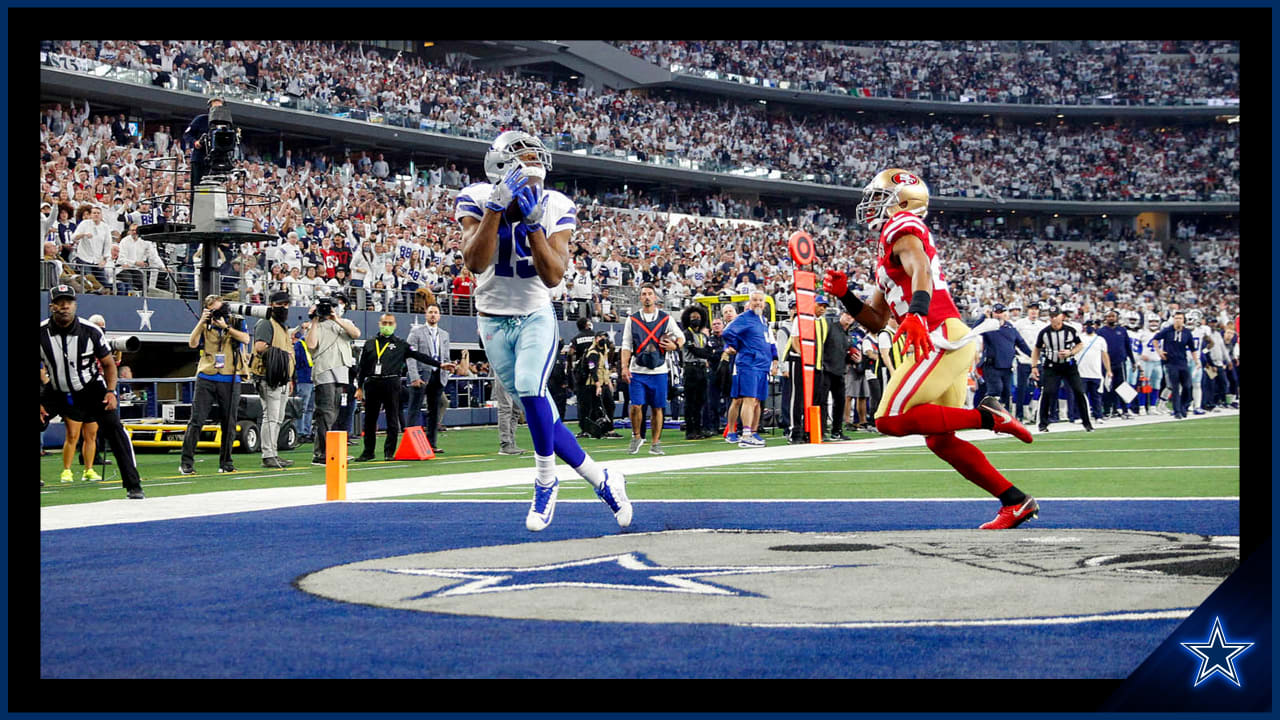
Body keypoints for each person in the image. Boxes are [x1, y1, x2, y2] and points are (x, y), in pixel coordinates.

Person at [822, 168, 1037, 530]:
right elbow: (877, 319)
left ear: (902, 201)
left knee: (888, 420)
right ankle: (1015, 501)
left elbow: (919, 265)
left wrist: (918, 314)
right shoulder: (888, 250)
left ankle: (991, 417)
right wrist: (845, 296)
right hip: (939, 337)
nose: (872, 203)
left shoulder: (901, 225)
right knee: (940, 440)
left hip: (937, 335)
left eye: (880, 196)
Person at [457, 129, 630, 532]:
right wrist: (496, 210)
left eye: (537, 164)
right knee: (542, 415)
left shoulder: (555, 205)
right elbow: (475, 263)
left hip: (535, 312)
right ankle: (602, 480)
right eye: (524, 164)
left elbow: (553, 277)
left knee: (532, 389)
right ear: (500, 168)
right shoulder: (476, 197)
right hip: (492, 319)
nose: (534, 174)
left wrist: (534, 225)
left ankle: (545, 481)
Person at [39, 285, 144, 499]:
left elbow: (109, 364)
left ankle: (133, 485)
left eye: (68, 302)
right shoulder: (41, 332)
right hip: (56, 389)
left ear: (75, 305)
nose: (64, 306)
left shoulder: (91, 331)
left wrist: (111, 392)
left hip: (90, 389)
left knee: (115, 428)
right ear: (52, 306)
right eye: (60, 303)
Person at [354, 314, 455, 462]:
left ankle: (389, 452)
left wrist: (439, 365)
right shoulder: (370, 343)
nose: (386, 325)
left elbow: (419, 356)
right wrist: (360, 387)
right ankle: (368, 452)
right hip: (372, 383)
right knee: (369, 420)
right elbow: (362, 367)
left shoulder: (401, 344)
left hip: (392, 383)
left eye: (390, 323)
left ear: (394, 325)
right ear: (379, 323)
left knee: (392, 419)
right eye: (384, 323)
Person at [180, 294, 251, 474]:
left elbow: (246, 339)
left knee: (229, 422)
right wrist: (202, 322)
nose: (217, 313)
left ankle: (226, 462)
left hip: (230, 376)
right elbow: (192, 343)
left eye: (219, 309)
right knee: (197, 420)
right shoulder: (205, 323)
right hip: (208, 375)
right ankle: (186, 462)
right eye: (213, 310)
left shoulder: (235, 321)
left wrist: (226, 327)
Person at [621, 284, 682, 456]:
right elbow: (626, 345)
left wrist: (674, 345)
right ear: (640, 298)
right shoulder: (632, 320)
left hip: (659, 370)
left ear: (655, 297)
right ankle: (636, 436)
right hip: (638, 370)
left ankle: (656, 443)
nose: (647, 297)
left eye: (650, 294)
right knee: (636, 405)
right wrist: (624, 367)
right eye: (644, 294)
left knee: (658, 408)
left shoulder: (666, 318)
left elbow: (681, 337)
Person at [306, 295, 361, 465]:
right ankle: (322, 453)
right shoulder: (315, 326)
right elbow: (311, 345)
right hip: (324, 372)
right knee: (326, 413)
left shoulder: (343, 323)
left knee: (336, 413)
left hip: (342, 372)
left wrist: (335, 318)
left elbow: (355, 334)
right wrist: (314, 320)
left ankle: (333, 451)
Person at [719, 290, 778, 448]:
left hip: (762, 364)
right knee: (746, 398)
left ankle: (752, 431)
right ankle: (744, 434)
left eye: (760, 300)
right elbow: (728, 332)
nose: (758, 303)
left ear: (764, 303)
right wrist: (738, 347)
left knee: (756, 400)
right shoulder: (745, 318)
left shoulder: (763, 320)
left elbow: (769, 342)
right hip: (749, 363)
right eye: (755, 300)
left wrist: (774, 360)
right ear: (750, 302)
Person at [250, 291, 296, 468]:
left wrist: (290, 377)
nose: (284, 307)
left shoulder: (282, 326)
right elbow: (260, 347)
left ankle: (273, 453)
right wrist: (282, 355)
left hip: (282, 377)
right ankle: (268, 455)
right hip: (268, 377)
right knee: (270, 416)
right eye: (280, 304)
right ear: (272, 305)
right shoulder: (266, 323)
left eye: (286, 304)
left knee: (277, 418)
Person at [1030, 307, 1095, 433]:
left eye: (1056, 315)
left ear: (1062, 316)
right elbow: (1036, 349)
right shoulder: (1044, 332)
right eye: (1052, 316)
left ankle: (1087, 422)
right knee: (1048, 392)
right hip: (1051, 366)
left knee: (1079, 391)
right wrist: (1034, 366)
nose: (1054, 318)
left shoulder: (1070, 330)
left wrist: (1070, 352)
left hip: (1069, 366)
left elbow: (1080, 345)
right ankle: (1043, 423)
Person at [404, 302, 450, 452]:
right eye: (430, 312)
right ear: (426, 314)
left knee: (434, 410)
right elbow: (410, 357)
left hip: (438, 376)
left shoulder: (444, 334)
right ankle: (411, 444)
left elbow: (446, 355)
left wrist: (448, 370)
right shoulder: (416, 332)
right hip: (421, 375)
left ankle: (431, 444)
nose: (433, 315)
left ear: (439, 315)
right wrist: (414, 376)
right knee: (414, 409)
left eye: (435, 312)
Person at [978, 303, 1032, 412]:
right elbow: (975, 329)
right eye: (996, 312)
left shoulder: (1010, 327)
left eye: (1000, 312)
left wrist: (1033, 356)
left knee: (1006, 392)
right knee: (995, 389)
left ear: (1004, 313)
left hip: (1007, 366)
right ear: (992, 313)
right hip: (992, 366)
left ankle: (1004, 416)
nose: (998, 315)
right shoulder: (988, 326)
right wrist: (983, 317)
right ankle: (987, 414)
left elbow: (1021, 343)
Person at [679, 303, 717, 440]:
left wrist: (705, 353)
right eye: (693, 317)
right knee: (690, 401)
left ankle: (699, 428)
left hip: (701, 369)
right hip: (690, 369)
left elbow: (708, 352)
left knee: (701, 400)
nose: (696, 319)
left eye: (698, 317)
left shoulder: (702, 335)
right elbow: (693, 350)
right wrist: (705, 353)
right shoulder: (685, 334)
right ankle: (690, 430)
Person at [1153, 311, 1195, 419]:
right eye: (1176, 318)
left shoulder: (1187, 333)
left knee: (1187, 386)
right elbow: (1155, 339)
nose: (1178, 320)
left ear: (1183, 320)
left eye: (1180, 318)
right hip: (1171, 363)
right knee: (1175, 387)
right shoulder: (1168, 330)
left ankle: (1184, 406)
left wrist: (1197, 361)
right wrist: (1159, 351)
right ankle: (1177, 412)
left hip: (1183, 362)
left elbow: (1192, 348)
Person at [1096, 309, 1136, 419]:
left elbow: (1128, 346)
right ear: (1105, 318)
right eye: (1109, 316)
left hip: (1120, 362)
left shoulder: (1122, 330)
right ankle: (1108, 410)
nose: (1111, 318)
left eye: (1113, 316)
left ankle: (1125, 410)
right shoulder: (1101, 331)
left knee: (1122, 386)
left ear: (1117, 318)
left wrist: (1133, 361)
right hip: (1106, 363)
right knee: (1107, 387)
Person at [1012, 301, 1048, 423]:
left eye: (1036, 309)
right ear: (1027, 310)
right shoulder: (1019, 324)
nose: (1033, 311)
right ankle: (1019, 415)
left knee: (1042, 387)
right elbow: (1014, 339)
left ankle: (1039, 414)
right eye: (1031, 309)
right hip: (1023, 360)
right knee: (1021, 388)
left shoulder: (1042, 325)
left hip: (1037, 360)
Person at [183, 96, 224, 200]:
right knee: (198, 188)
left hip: (216, 161)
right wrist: (195, 142)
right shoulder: (201, 119)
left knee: (212, 189)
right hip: (199, 159)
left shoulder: (224, 124)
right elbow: (187, 134)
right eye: (215, 107)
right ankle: (196, 212)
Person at [1075, 319, 1111, 426]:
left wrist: (1108, 370)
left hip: (1096, 372)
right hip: (1081, 371)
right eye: (1088, 325)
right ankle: (1080, 415)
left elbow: (1104, 355)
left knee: (1096, 396)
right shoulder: (1079, 338)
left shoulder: (1100, 340)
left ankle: (1098, 415)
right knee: (1081, 395)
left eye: (1091, 325)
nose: (1090, 327)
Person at [292, 320, 315, 442]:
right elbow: (297, 362)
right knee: (302, 407)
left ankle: (307, 431)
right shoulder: (299, 345)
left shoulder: (313, 344)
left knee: (310, 407)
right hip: (304, 379)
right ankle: (300, 431)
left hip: (312, 379)